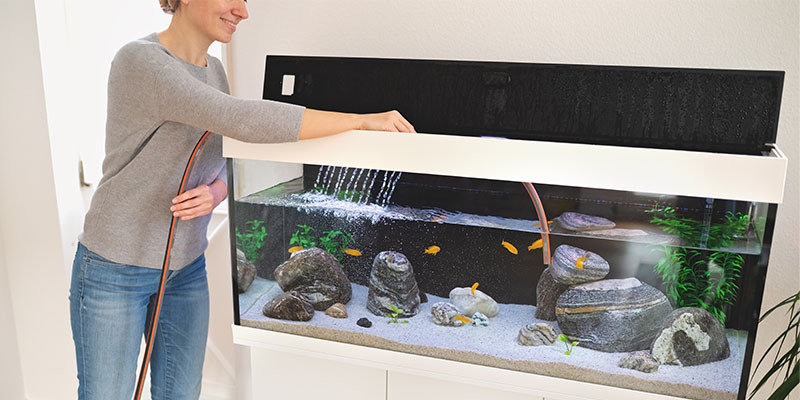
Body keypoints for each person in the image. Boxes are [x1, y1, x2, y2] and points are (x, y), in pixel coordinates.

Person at [68, 0, 415, 399]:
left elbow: (220, 153)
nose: (243, 11)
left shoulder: (214, 70)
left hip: (184, 268)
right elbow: (241, 120)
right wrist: (359, 119)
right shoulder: (140, 61)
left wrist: (216, 190)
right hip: (116, 266)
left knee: (180, 394)